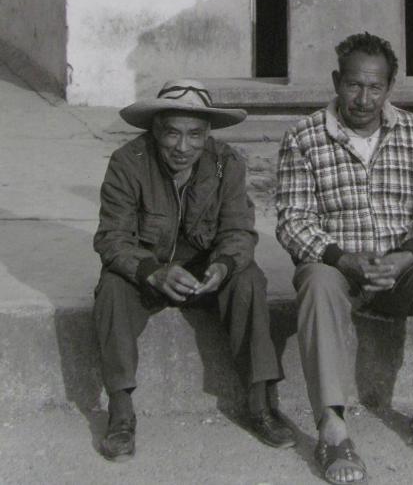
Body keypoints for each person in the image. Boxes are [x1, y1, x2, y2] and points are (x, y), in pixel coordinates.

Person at [276, 32, 413, 484]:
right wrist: (343, 260)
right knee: (316, 282)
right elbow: (292, 221)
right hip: (340, 270)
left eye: (375, 87)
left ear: (390, 87)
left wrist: (406, 256)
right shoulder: (304, 137)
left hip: (401, 269)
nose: (364, 99)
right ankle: (333, 429)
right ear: (337, 81)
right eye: (354, 85)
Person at [93, 78, 295, 461]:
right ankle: (120, 413)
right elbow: (112, 238)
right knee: (111, 288)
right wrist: (152, 271)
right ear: (155, 130)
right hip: (149, 273)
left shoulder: (227, 163)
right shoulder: (127, 162)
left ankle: (260, 404)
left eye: (195, 135)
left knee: (249, 277)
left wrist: (222, 265)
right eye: (172, 134)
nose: (183, 147)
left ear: (207, 135)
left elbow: (239, 231)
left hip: (205, 274)